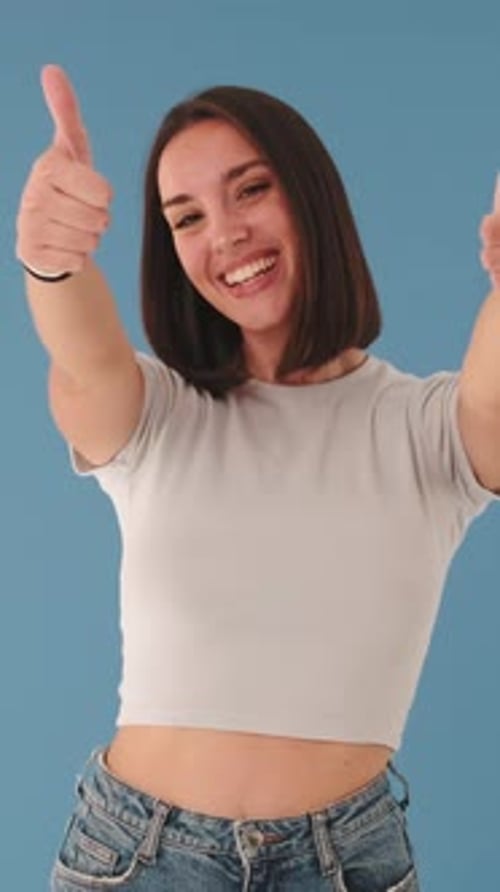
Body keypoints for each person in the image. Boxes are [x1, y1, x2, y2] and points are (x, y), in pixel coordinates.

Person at [16, 64, 500, 892]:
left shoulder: (430, 432)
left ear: (311, 196)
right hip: (136, 859)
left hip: (347, 865)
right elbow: (84, 359)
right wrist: (50, 261)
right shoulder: (156, 414)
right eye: (188, 217)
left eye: (251, 190)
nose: (226, 234)